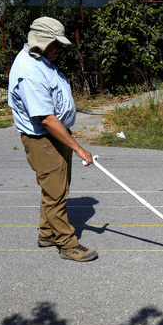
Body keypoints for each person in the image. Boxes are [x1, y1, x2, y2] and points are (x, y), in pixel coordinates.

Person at [8, 17, 98, 262]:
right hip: (43, 139)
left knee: (55, 189)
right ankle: (67, 244)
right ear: (41, 41)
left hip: (55, 135)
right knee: (56, 193)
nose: (59, 48)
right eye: (55, 43)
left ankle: (47, 234)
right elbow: (46, 119)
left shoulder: (41, 61)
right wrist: (79, 149)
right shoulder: (29, 72)